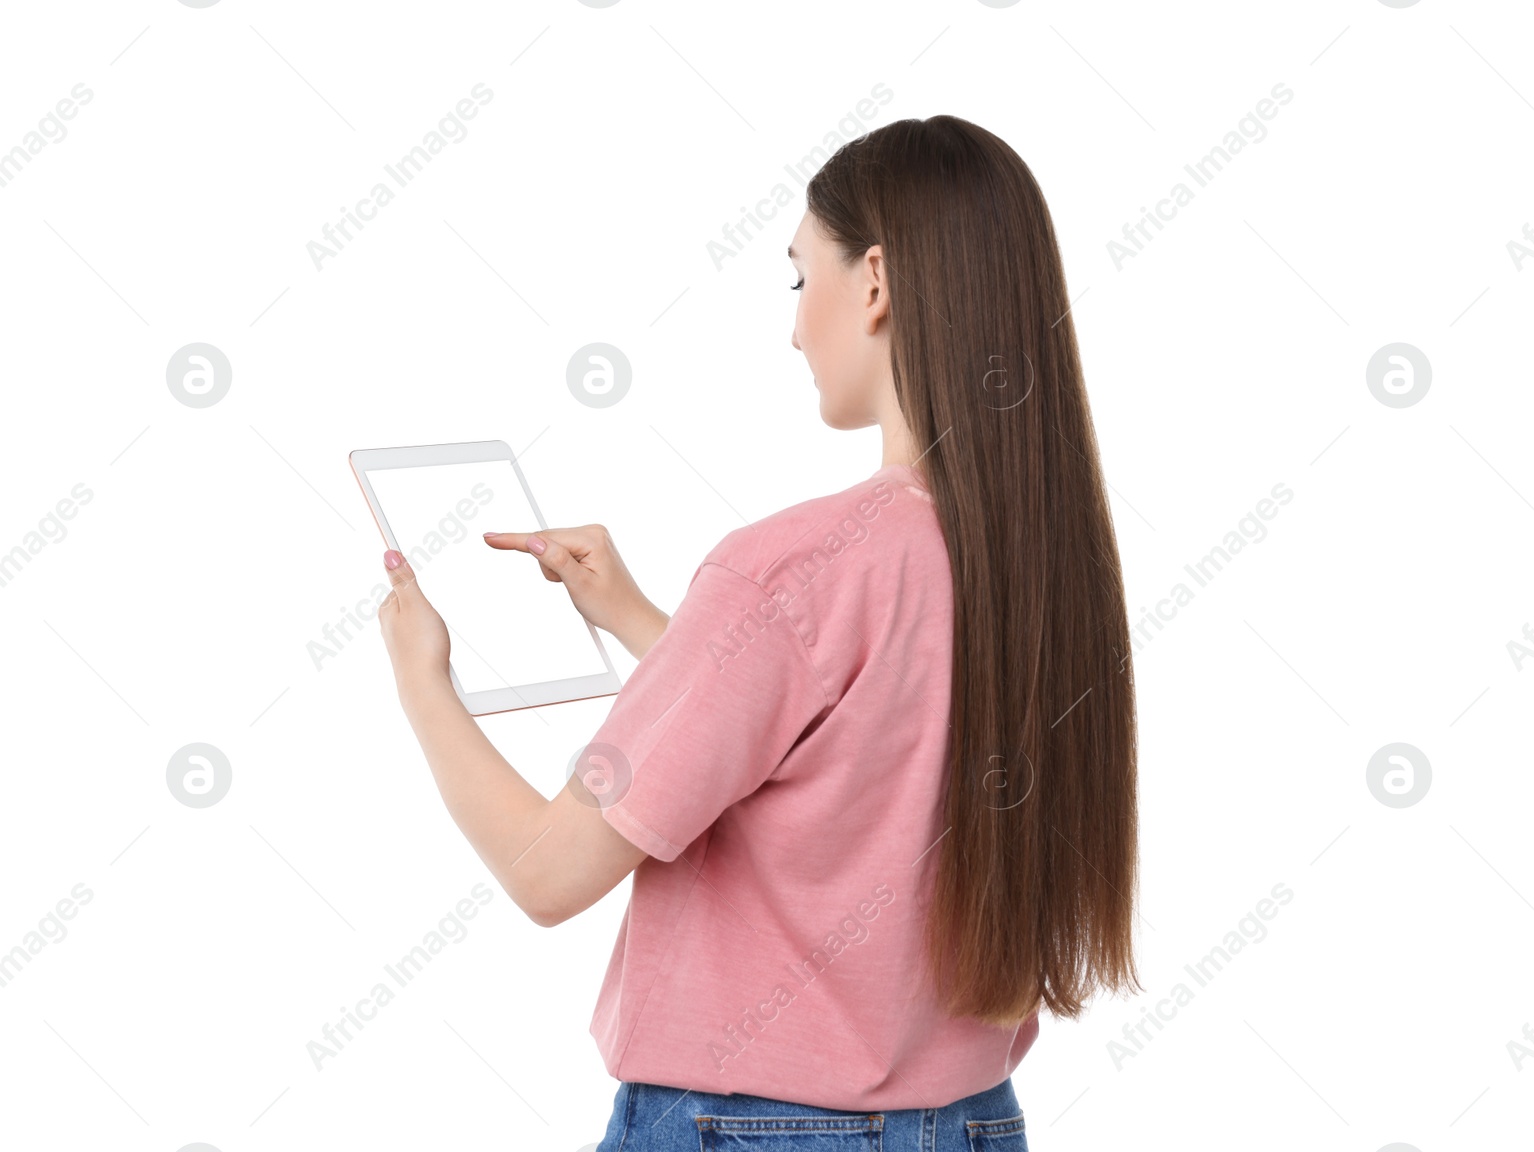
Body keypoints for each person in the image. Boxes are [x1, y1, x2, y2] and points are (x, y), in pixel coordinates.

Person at [377, 113, 1140, 1151]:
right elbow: (848, 735)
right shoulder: (1034, 567)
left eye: (798, 278)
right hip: (971, 1124)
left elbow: (547, 873)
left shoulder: (791, 567)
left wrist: (423, 681)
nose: (792, 327)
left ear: (875, 281)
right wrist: (654, 625)